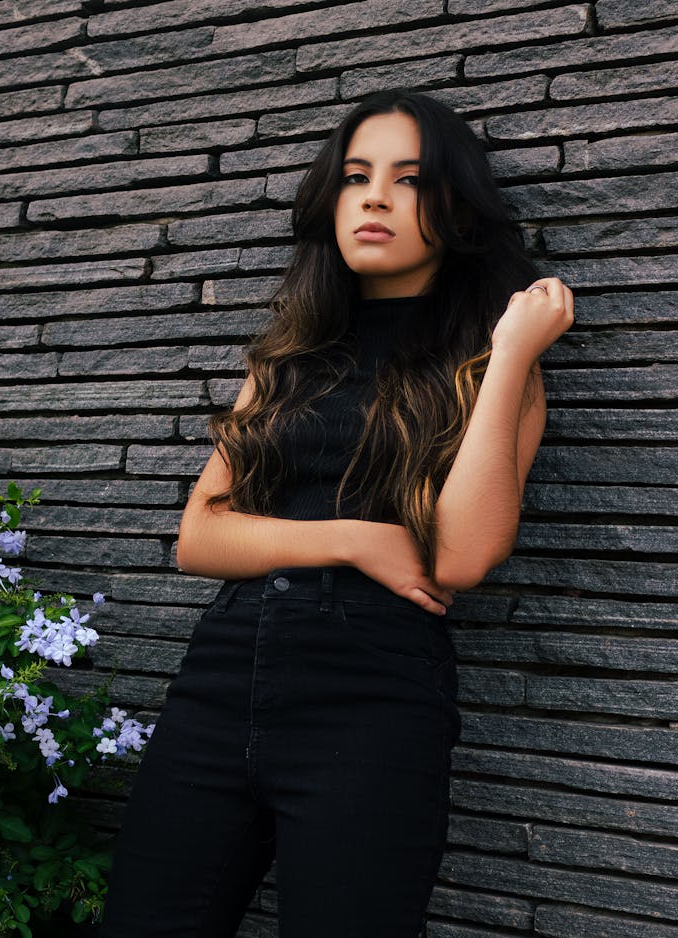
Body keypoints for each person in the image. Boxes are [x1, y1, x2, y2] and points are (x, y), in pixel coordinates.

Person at [99, 89, 573, 938]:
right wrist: (356, 540)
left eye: (407, 178)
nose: (374, 197)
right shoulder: (288, 356)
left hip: (373, 698)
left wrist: (507, 356)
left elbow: (461, 556)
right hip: (219, 680)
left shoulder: (489, 367)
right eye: (355, 177)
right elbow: (199, 538)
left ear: (456, 207)